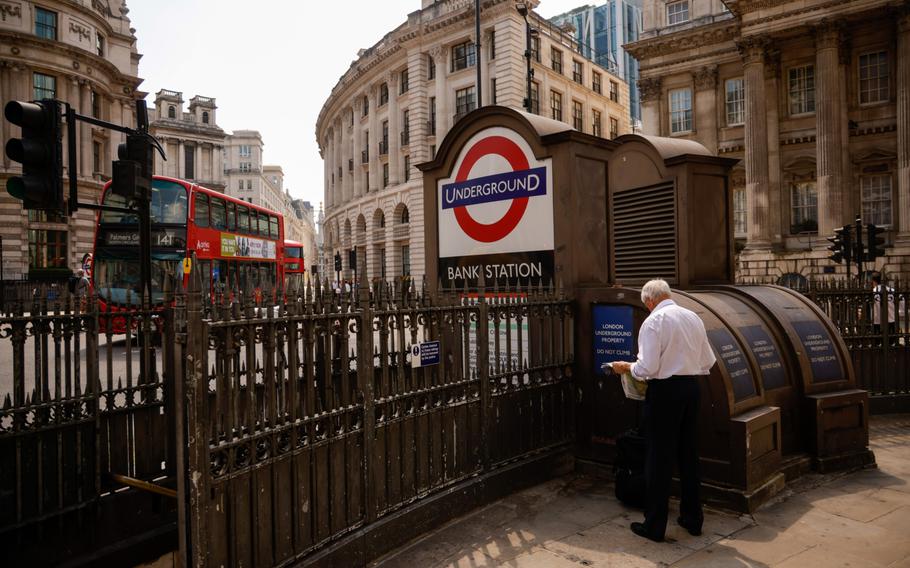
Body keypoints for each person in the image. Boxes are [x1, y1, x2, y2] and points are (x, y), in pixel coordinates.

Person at [611, 279, 716, 543]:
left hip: (665, 393)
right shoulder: (693, 317)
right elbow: (708, 361)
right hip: (691, 390)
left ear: (649, 301)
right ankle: (693, 519)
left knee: (658, 458)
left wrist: (626, 366)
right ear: (667, 295)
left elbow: (646, 368)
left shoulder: (653, 322)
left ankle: (654, 525)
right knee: (689, 455)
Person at [870, 272, 900, 336]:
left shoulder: (872, 292)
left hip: (877, 321)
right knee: (892, 342)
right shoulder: (892, 291)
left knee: (878, 342)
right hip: (891, 320)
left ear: (873, 281)